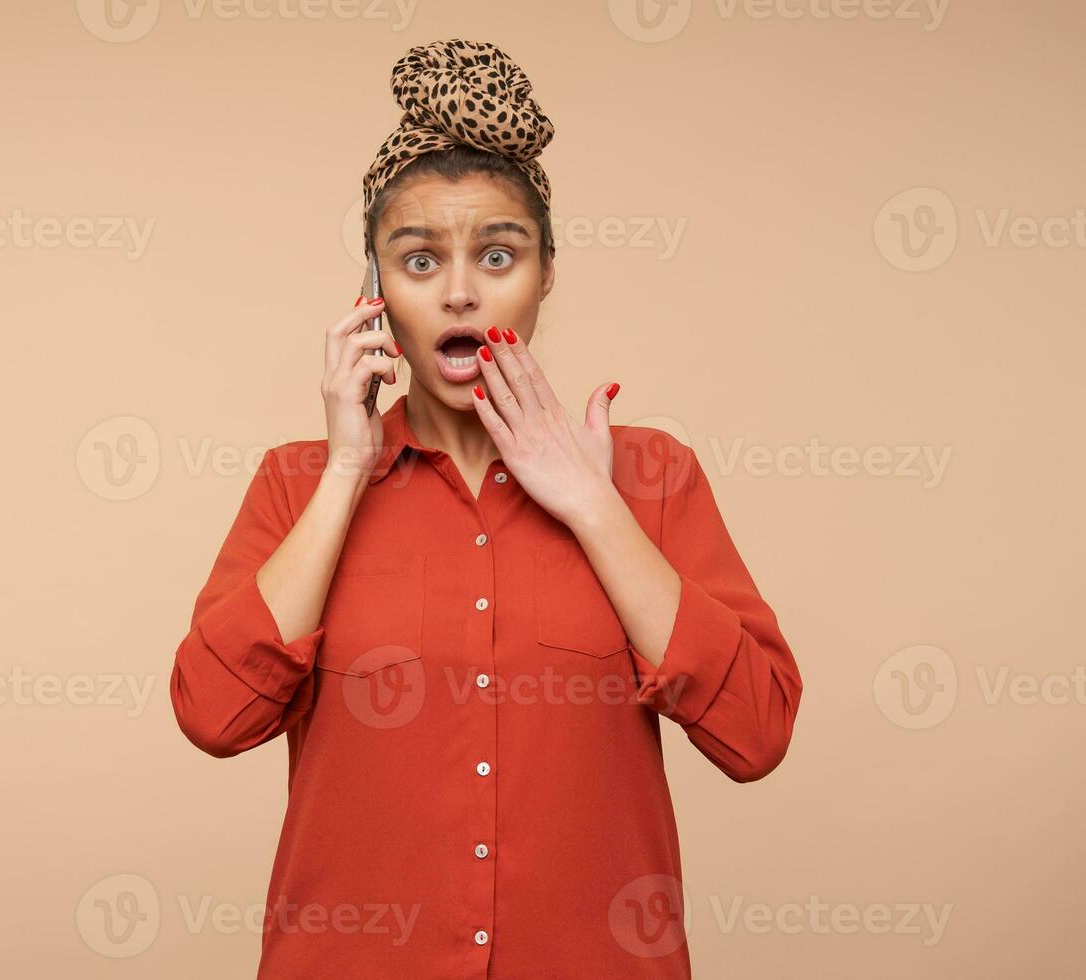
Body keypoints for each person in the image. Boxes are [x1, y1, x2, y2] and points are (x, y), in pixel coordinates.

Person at [170, 37, 802, 979]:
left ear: (546, 274)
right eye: (418, 260)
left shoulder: (651, 479)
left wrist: (594, 506)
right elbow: (214, 717)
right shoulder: (296, 483)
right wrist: (350, 465)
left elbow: (756, 734)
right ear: (376, 293)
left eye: (498, 254)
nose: (460, 289)